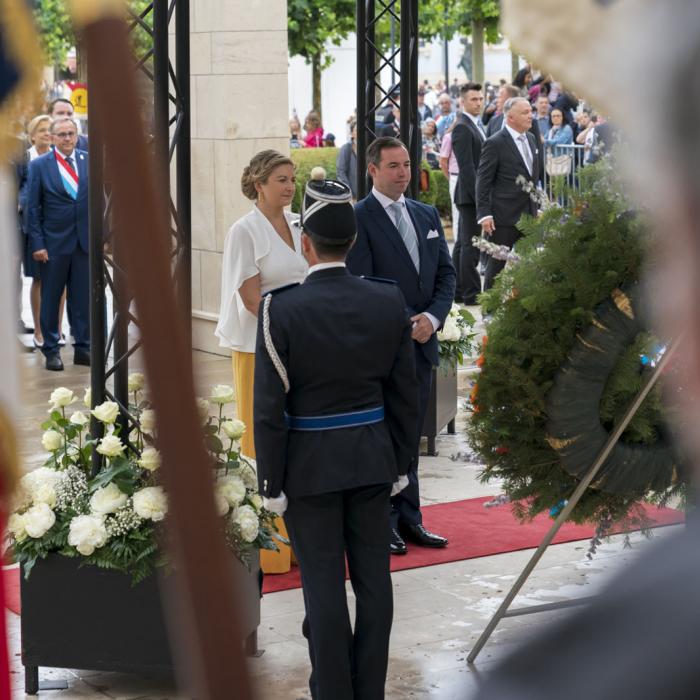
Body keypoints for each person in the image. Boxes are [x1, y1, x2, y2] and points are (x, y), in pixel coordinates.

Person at [254, 177, 419, 700]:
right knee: (374, 583)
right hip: (372, 458)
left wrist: (270, 481)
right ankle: (369, 689)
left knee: (322, 586)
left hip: (309, 468)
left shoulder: (280, 308)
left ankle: (332, 690)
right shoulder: (387, 300)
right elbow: (404, 396)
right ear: (350, 242)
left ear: (306, 243)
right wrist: (401, 464)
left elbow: (269, 409)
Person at [347, 136, 456, 555]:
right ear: (372, 170)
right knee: (387, 437)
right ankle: (384, 521)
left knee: (410, 436)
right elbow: (365, 284)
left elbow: (446, 275)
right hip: (386, 350)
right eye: (393, 165)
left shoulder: (426, 214)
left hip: (423, 345)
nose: (403, 173)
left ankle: (411, 519)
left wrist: (431, 318)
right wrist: (406, 321)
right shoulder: (359, 218)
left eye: (407, 164)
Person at [215, 149, 307, 574]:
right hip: (259, 348)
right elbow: (252, 300)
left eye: (292, 178)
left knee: (296, 439)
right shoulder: (244, 230)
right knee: (260, 443)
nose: (290, 186)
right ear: (258, 183)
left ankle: (301, 538)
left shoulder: (296, 223)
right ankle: (269, 549)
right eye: (282, 180)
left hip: (298, 347)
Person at [26, 117, 89, 371]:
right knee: (51, 298)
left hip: (83, 241)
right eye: (61, 134)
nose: (67, 139)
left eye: (71, 134)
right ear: (52, 137)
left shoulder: (87, 159)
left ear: (77, 135)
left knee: (83, 298)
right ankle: (51, 348)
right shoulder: (40, 165)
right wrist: (37, 243)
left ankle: (84, 347)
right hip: (53, 244)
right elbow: (33, 208)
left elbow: (98, 199)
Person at [476, 97, 540, 291]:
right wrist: (484, 214)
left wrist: (540, 204)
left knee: (529, 265)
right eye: (525, 112)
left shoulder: (531, 138)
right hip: (503, 217)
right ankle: (489, 311)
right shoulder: (495, 143)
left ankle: (523, 309)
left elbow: (533, 177)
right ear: (510, 117)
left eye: (531, 111)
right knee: (497, 267)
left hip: (529, 214)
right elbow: (483, 181)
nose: (531, 116)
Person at [17, 115, 69, 351]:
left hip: (60, 229)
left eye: (50, 130)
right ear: (32, 135)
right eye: (42, 130)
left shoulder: (61, 158)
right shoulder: (25, 159)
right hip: (34, 229)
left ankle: (57, 329)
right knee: (39, 279)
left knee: (61, 280)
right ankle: (39, 329)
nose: (47, 134)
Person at [452, 82, 487, 305]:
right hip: (469, 197)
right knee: (470, 245)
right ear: (463, 102)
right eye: (474, 99)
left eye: (480, 99)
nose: (478, 103)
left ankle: (456, 290)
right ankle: (471, 293)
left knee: (462, 246)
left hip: (470, 196)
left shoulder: (474, 124)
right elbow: (467, 169)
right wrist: (480, 199)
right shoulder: (463, 127)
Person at [336, 120, 358, 199]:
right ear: (352, 133)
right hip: (352, 197)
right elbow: (341, 172)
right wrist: (349, 193)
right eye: (356, 130)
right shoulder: (346, 148)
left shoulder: (369, 148)